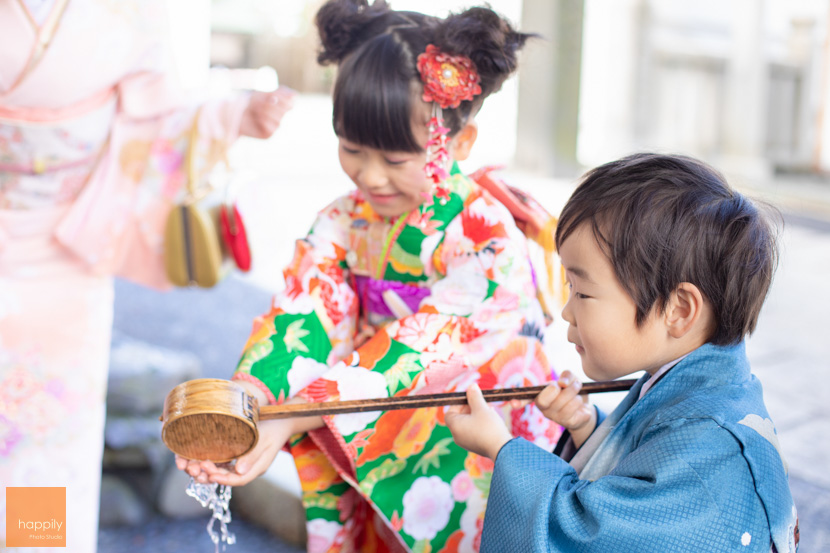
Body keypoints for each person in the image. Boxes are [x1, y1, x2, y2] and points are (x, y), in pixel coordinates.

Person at [179, 1, 563, 551]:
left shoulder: (483, 232)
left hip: (471, 437)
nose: (370, 175)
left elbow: (432, 343)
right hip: (367, 420)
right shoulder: (343, 217)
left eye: (396, 158)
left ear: (459, 144)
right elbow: (306, 309)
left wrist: (297, 414)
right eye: (352, 149)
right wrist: (251, 401)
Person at [0, 0, 294, 550]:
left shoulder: (126, 11)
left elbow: (162, 120)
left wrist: (230, 116)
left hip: (66, 259)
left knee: (47, 439)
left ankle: (32, 544)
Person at [445, 153, 800, 553]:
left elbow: (593, 533)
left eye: (582, 292)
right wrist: (587, 429)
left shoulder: (711, 446)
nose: (566, 310)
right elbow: (641, 481)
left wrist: (502, 449)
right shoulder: (703, 391)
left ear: (679, 310)